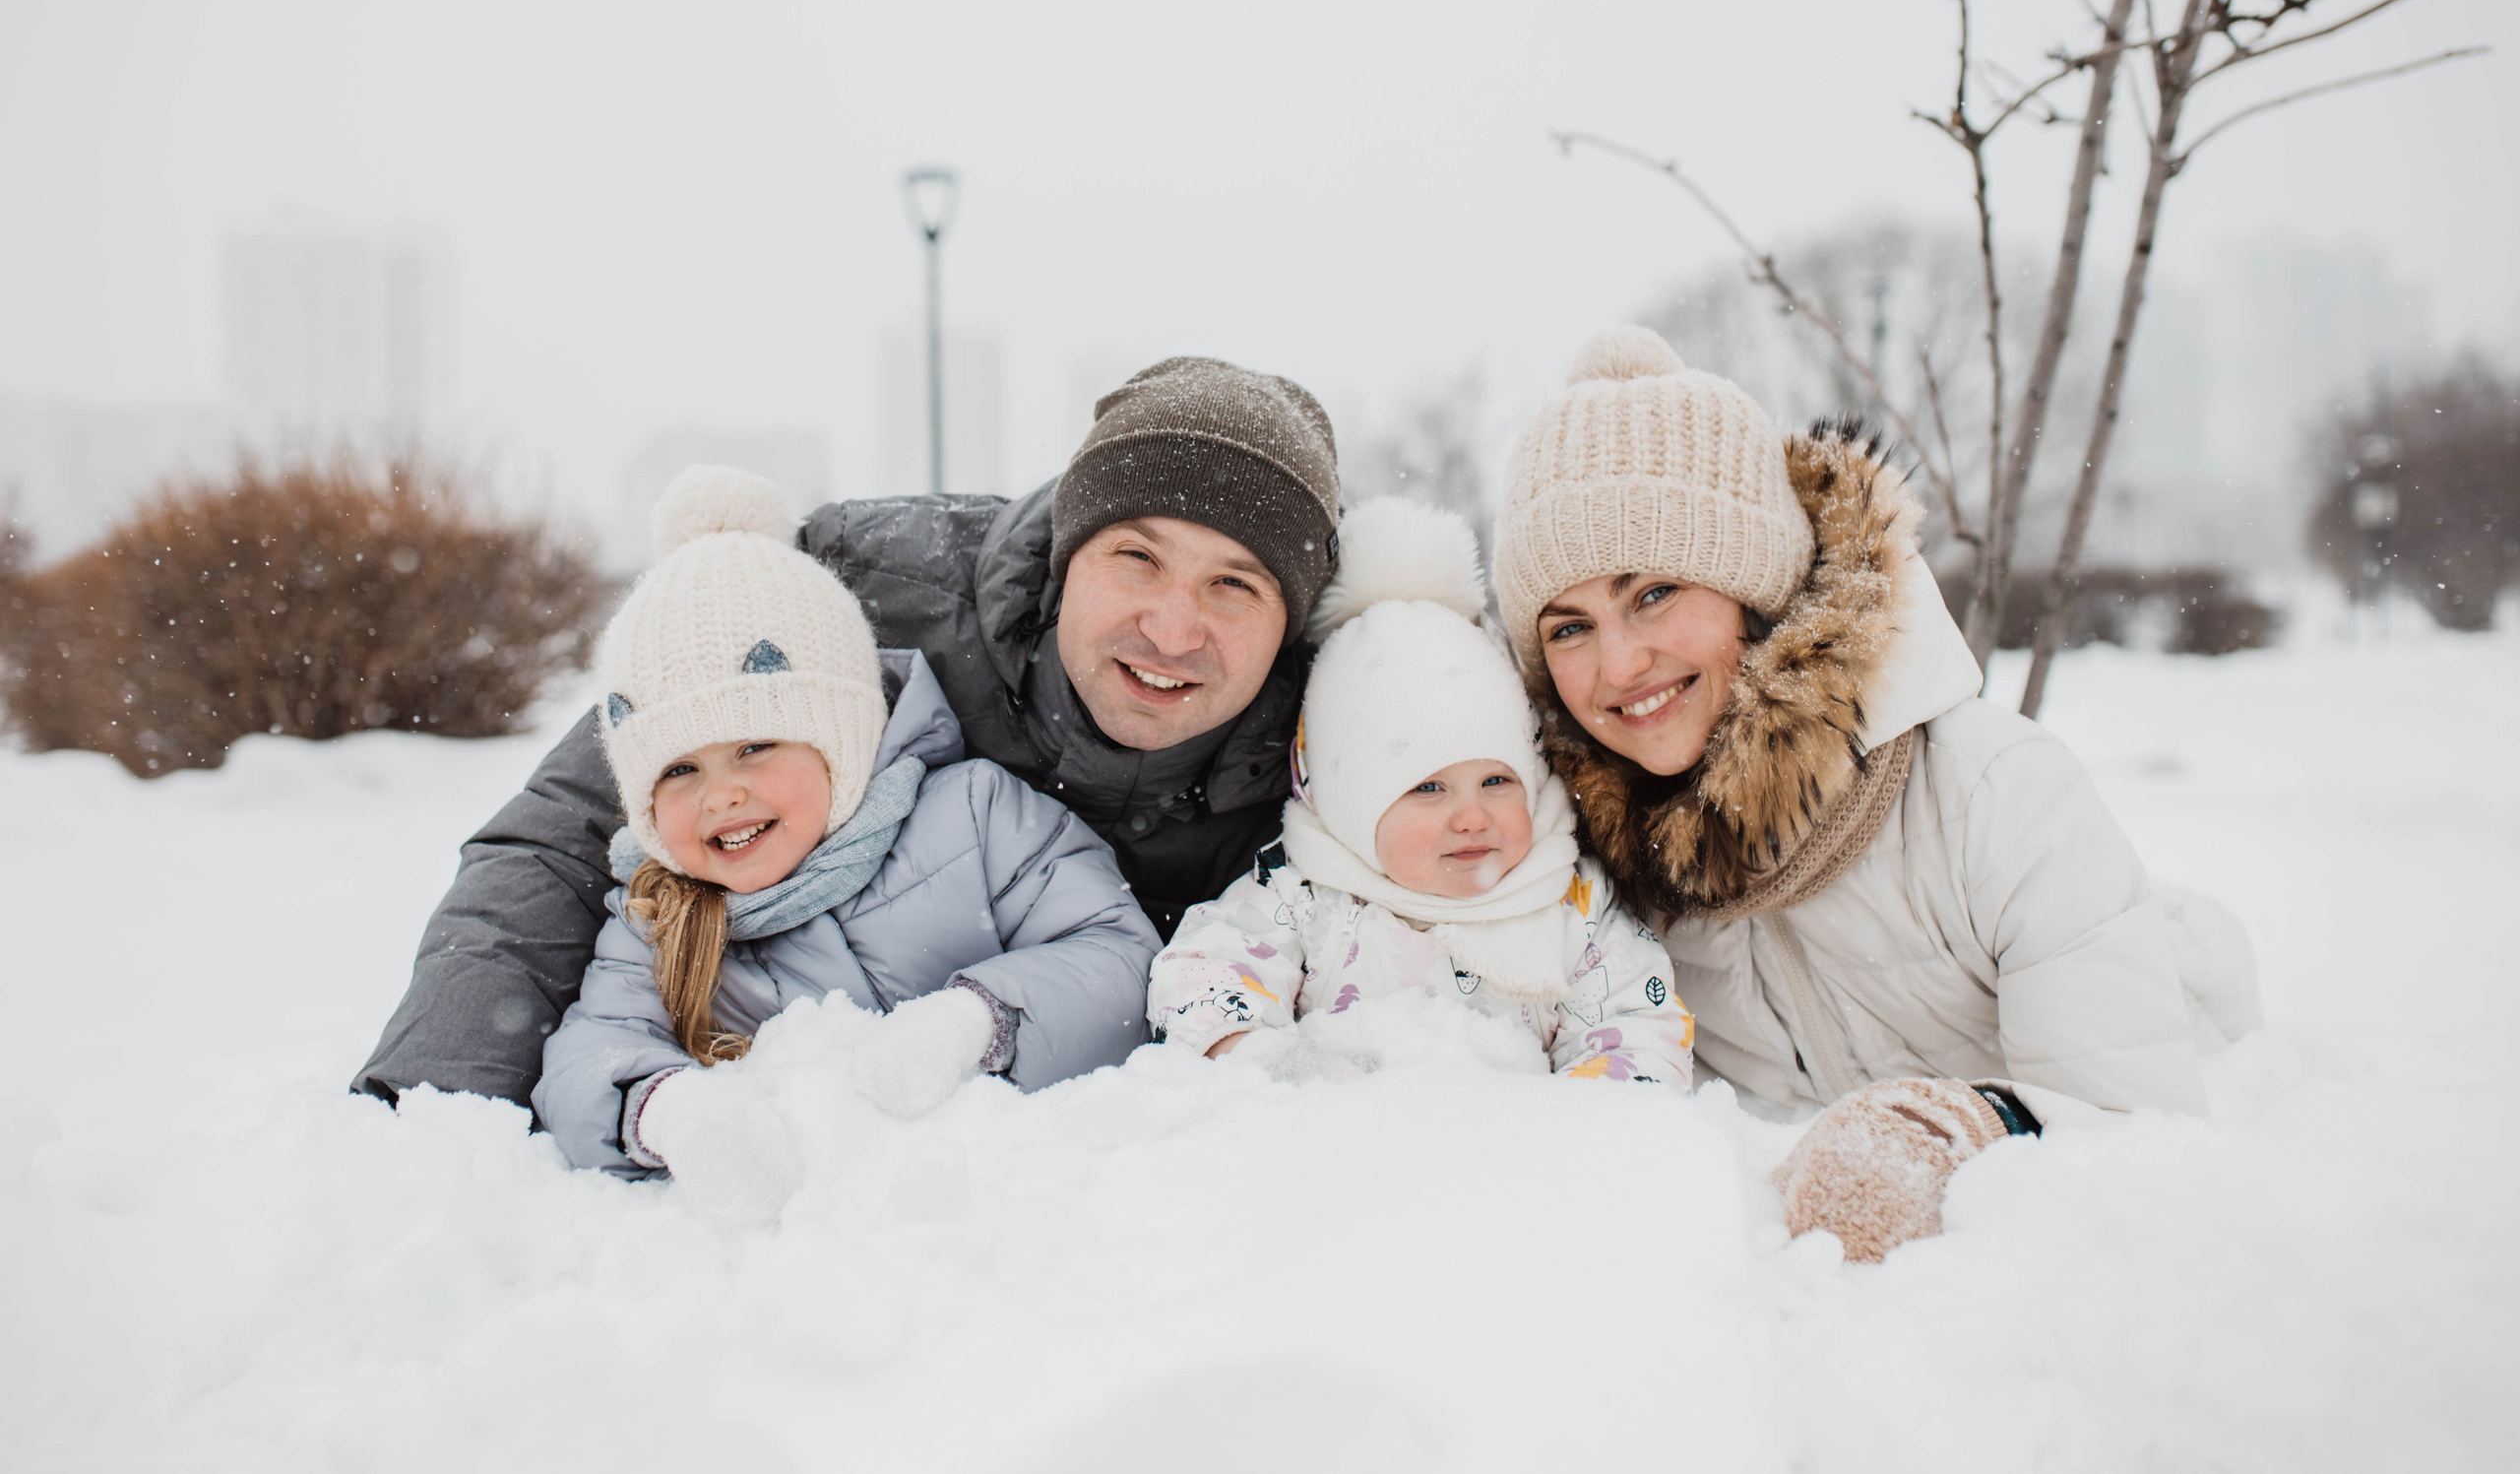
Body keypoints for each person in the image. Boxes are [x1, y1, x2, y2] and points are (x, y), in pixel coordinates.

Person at [356, 356, 1340, 1110]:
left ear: (1289, 621)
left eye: (1234, 584)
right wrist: (432, 1116)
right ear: (1065, 557)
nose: (1173, 628)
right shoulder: (860, 594)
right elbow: (563, 839)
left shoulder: (1346, 725)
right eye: (1136, 557)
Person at [1490, 326, 2263, 1263]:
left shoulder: (1992, 793)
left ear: (1757, 588)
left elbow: (2135, 1148)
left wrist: (1954, 1130)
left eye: (1653, 593)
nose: (1618, 664)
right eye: (1569, 627)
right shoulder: (1600, 872)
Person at [534, 466, 1160, 1222]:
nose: (721, 793)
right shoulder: (657, 918)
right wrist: (673, 1113)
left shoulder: (975, 816)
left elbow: (1117, 953)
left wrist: (973, 1025)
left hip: (1007, 1227)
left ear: (844, 735)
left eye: (758, 744)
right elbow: (587, 1052)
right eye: (678, 769)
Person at [1149, 497, 1694, 1084]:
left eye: (1495, 781)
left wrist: (1583, 1125)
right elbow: (1204, 973)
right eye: (1428, 788)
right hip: (1338, 1146)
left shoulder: (1572, 902)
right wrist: (1272, 1066)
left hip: (1522, 1159)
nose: (1471, 817)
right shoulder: (1305, 896)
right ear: (1354, 805)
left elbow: (1639, 1016)